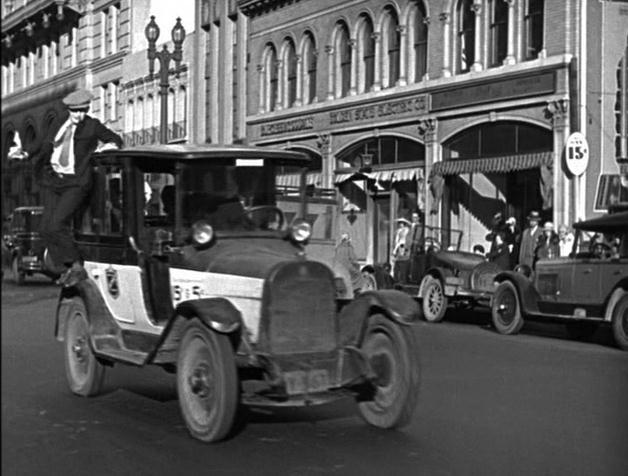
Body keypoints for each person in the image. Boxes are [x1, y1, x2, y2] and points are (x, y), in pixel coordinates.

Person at [7, 89, 123, 286]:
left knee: (56, 225)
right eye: (75, 111)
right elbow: (43, 143)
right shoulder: (58, 122)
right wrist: (24, 152)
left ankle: (77, 266)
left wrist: (107, 147)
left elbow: (115, 139)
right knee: (44, 229)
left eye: (83, 111)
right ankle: (66, 268)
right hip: (54, 180)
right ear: (69, 109)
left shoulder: (92, 126)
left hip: (76, 183)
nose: (79, 115)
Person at [392, 218, 411, 283]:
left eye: (402, 223)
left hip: (402, 248)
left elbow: (404, 240)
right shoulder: (398, 231)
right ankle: (396, 279)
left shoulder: (406, 230)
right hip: (398, 250)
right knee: (397, 266)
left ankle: (402, 280)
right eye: (400, 223)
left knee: (402, 265)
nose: (401, 224)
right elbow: (396, 241)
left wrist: (404, 248)